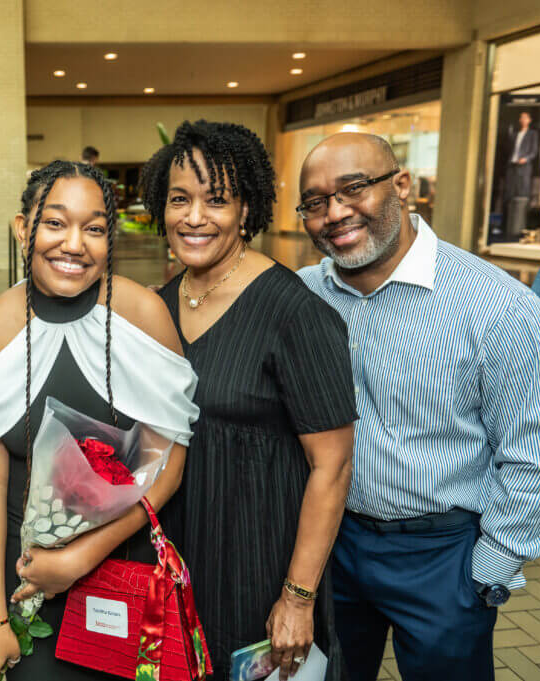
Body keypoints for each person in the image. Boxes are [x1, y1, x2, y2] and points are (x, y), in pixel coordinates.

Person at [297, 132, 540, 681]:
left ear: (403, 186)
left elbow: (533, 451)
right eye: (315, 203)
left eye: (353, 189)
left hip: (444, 555)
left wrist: (488, 570)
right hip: (331, 547)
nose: (335, 213)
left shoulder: (498, 306)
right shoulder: (303, 298)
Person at [0, 160, 198, 681]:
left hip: (124, 571)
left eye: (93, 229)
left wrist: (81, 558)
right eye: (55, 223)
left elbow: (169, 464)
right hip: (27, 583)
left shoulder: (143, 314)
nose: (74, 244)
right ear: (23, 228)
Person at [139, 120, 356, 681]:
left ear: (245, 210)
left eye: (217, 200)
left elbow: (332, 467)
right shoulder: (155, 306)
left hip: (259, 563)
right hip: (175, 564)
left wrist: (299, 597)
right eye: (179, 199)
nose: (194, 217)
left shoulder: (295, 314)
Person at [498, 111, 540, 237]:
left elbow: (534, 151)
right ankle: (506, 227)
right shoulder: (514, 134)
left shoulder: (533, 134)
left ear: (529, 120)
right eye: (521, 117)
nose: (522, 119)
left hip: (524, 168)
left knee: (522, 196)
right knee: (508, 196)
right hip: (511, 166)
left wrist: (525, 158)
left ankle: (520, 228)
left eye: (525, 117)